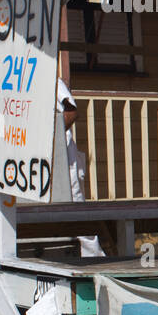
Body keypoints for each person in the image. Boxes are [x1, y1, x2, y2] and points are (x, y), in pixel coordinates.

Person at [57, 79, 105, 257]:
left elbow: (71, 112)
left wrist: (48, 138)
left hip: (64, 158)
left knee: (77, 215)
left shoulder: (50, 79)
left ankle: (96, 264)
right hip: (38, 163)